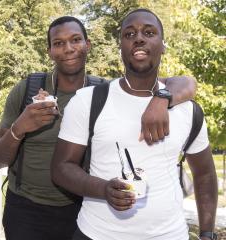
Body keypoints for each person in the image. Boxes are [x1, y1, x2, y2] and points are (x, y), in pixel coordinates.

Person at [0, 15, 198, 240]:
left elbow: (185, 82)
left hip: (81, 208)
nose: (68, 48)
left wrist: (162, 99)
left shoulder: (102, 92)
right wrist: (20, 127)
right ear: (49, 51)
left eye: (76, 40)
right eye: (58, 43)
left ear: (87, 45)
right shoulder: (28, 89)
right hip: (27, 211)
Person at [51, 9, 218, 240]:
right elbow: (61, 168)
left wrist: (207, 233)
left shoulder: (188, 110)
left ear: (163, 45)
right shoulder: (88, 101)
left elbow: (205, 175)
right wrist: (103, 189)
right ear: (120, 49)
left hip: (170, 235)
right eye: (129, 34)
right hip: (96, 234)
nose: (139, 38)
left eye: (149, 32)